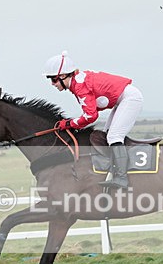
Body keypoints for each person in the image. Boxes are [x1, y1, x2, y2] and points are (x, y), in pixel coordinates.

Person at [44, 51, 143, 189]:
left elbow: (91, 116)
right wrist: (72, 123)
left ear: (63, 76)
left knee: (114, 137)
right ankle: (116, 172)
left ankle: (122, 178)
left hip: (129, 98)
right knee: (107, 135)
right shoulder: (77, 82)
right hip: (122, 99)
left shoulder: (80, 86)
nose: (52, 84)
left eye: (53, 79)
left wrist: (69, 123)